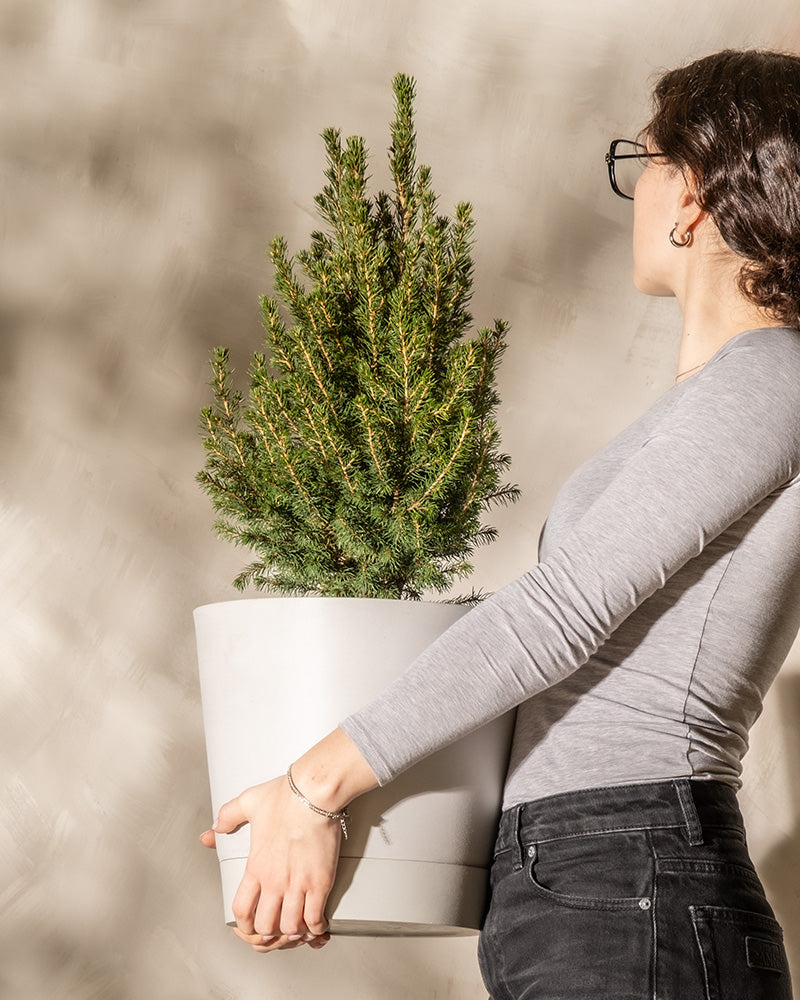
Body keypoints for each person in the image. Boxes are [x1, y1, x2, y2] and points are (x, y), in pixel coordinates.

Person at [200, 49, 800, 998]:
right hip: (590, 879)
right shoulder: (723, 397)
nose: (635, 194)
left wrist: (314, 786)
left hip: (632, 871)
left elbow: (561, 614)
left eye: (642, 164)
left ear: (692, 193)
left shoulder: (775, 379)